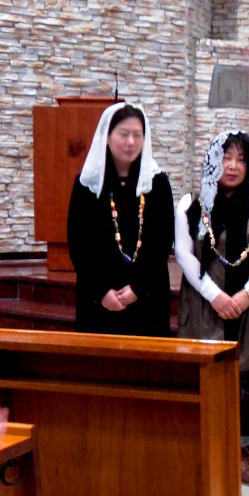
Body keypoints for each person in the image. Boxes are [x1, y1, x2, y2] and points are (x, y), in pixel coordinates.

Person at [174, 130, 249, 487]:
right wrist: (214, 295)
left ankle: (241, 450)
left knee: (244, 380)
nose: (232, 166)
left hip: (247, 305)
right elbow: (183, 253)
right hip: (205, 303)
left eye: (240, 160)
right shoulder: (191, 203)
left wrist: (248, 293)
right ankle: (203, 448)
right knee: (204, 377)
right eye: (225, 158)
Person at [68, 101, 174, 337]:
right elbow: (78, 244)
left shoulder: (157, 184)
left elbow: (162, 242)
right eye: (124, 134)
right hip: (98, 299)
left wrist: (138, 288)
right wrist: (101, 291)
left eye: (137, 135)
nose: (131, 142)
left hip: (147, 296)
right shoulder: (87, 185)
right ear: (107, 137)